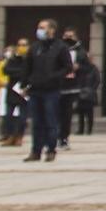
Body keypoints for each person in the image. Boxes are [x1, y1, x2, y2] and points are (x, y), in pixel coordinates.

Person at [20, 20, 72, 163]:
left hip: (52, 90)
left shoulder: (60, 47)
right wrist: (25, 84)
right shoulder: (35, 47)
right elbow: (27, 67)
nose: (39, 30)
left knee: (51, 121)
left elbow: (67, 67)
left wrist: (55, 77)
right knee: (37, 122)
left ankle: (50, 149)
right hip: (35, 90)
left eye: (42, 27)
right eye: (39, 27)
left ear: (52, 30)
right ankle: (35, 151)